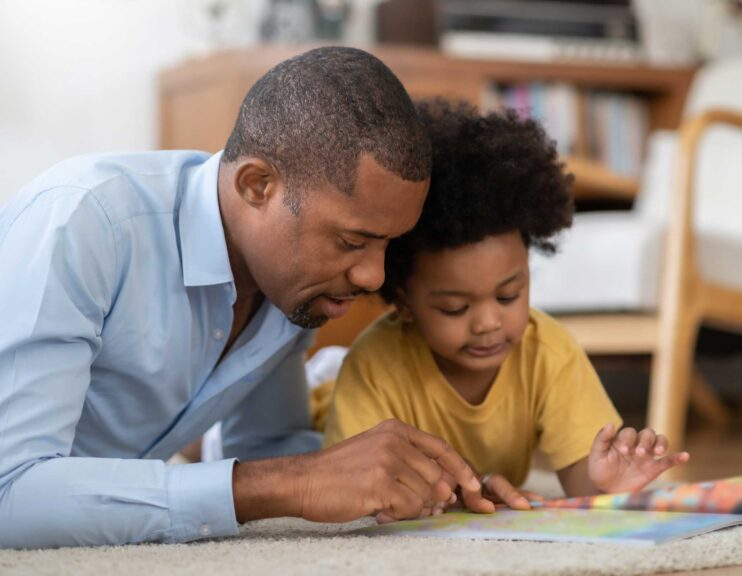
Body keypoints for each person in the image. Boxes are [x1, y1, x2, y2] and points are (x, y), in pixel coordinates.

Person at [0, 48, 491, 549]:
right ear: (257, 185)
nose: (373, 275)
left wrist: (417, 481)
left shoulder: (293, 291)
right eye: (351, 241)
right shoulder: (84, 223)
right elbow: (8, 492)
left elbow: (267, 448)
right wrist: (297, 480)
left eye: (389, 244)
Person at [322, 100, 690, 513]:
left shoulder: (548, 353)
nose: (489, 323)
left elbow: (579, 479)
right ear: (404, 302)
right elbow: (355, 487)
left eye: (508, 295)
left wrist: (607, 483)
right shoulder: (375, 367)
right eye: (456, 308)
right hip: (322, 409)